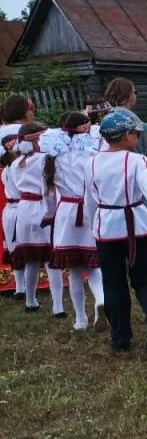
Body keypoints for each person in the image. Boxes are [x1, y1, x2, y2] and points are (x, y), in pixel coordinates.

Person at [88, 110, 147, 355]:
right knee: (144, 279)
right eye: (137, 133)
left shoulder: (93, 162)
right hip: (137, 227)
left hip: (106, 229)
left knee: (113, 282)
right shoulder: (137, 161)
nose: (140, 136)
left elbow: (89, 198)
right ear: (126, 136)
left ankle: (121, 338)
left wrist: (91, 225)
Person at [42, 113, 105, 330]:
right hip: (90, 209)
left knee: (74, 270)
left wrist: (49, 215)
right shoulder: (91, 154)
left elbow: (49, 192)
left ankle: (80, 319)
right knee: (94, 265)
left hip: (66, 213)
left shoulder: (54, 156)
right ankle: (101, 300)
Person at [5, 121, 56, 314]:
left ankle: (30, 299)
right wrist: (51, 214)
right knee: (50, 258)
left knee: (30, 259)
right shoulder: (44, 160)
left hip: (22, 210)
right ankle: (58, 305)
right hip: (39, 208)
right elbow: (49, 190)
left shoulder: (15, 164)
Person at [1, 94, 40, 301]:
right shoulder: (35, 132)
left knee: (15, 244)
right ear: (26, 111)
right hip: (31, 197)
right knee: (37, 243)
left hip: (10, 200)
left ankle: (20, 286)